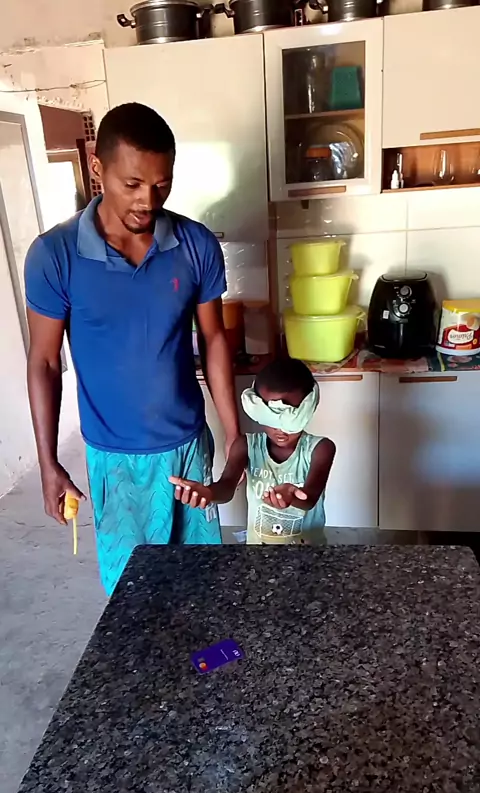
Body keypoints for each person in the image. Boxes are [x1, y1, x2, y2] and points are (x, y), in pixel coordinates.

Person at [25, 102, 240, 595]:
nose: (148, 200)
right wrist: (48, 462)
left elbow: (214, 338)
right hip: (114, 460)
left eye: (162, 185)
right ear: (97, 169)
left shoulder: (195, 244)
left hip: (187, 448)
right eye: (133, 184)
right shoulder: (54, 255)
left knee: (201, 586)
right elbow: (45, 362)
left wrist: (234, 435)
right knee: (132, 597)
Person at [170, 358, 336, 544]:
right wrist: (208, 492)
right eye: (270, 418)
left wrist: (292, 496)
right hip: (258, 553)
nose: (279, 429)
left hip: (308, 554)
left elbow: (309, 499)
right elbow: (227, 487)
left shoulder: (320, 449)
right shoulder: (246, 445)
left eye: (290, 416)